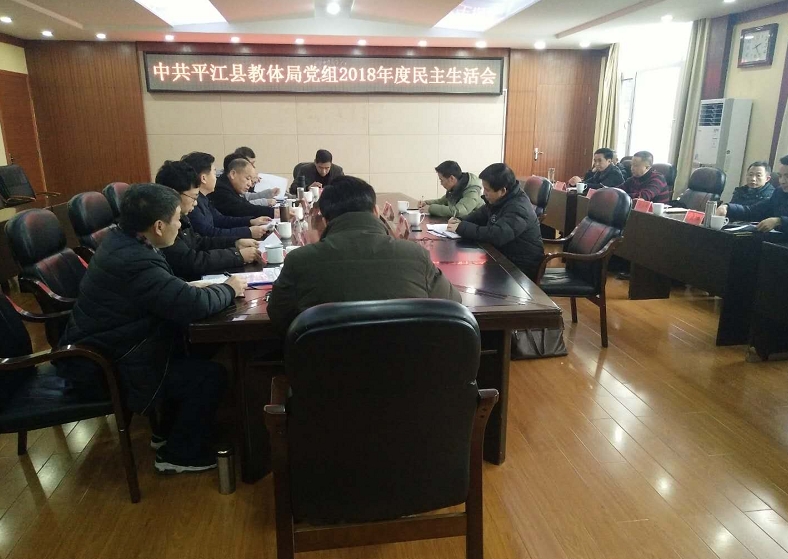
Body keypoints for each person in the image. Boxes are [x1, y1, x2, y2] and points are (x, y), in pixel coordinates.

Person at [56, 183, 247, 473]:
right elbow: (193, 306)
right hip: (107, 366)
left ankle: (168, 431)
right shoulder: (133, 260)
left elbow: (160, 291)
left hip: (122, 347)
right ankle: (179, 454)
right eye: (177, 219)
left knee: (201, 349)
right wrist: (229, 288)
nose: (181, 225)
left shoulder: (122, 240)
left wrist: (187, 289)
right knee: (208, 375)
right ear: (158, 226)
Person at [268, 176, 461, 332]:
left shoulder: (300, 260)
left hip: (327, 366)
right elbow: (453, 304)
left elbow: (279, 316)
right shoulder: (415, 255)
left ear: (325, 221)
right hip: (407, 365)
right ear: (376, 212)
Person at [156, 160, 262, 280]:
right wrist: (237, 255)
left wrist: (235, 243)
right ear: (174, 195)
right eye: (193, 197)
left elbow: (198, 242)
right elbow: (189, 261)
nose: (195, 203)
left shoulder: (183, 214)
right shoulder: (166, 223)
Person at [447, 163, 544, 281]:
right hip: (503, 256)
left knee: (467, 276)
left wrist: (462, 227)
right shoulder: (501, 200)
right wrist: (461, 220)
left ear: (503, 190)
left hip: (521, 268)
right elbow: (481, 215)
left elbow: (497, 235)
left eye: (487, 190)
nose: (484, 193)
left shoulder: (519, 208)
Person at [181, 151, 270, 240]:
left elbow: (220, 219)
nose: (216, 178)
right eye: (214, 173)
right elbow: (208, 233)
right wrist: (248, 232)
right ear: (203, 178)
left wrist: (250, 222)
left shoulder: (203, 198)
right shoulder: (192, 203)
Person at [717, 154, 788, 232]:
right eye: (780, 176)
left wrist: (779, 221)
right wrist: (728, 207)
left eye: (787, 176)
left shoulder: (771, 192)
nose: (782, 181)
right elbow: (752, 211)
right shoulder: (779, 193)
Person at [210, 157, 275, 218]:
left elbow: (245, 204)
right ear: (233, 174)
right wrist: (272, 212)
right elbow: (241, 208)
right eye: (247, 178)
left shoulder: (231, 187)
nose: (250, 184)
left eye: (251, 180)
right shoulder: (221, 189)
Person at [419, 160, 483, 218]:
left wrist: (430, 208)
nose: (441, 183)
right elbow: (441, 202)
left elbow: (458, 211)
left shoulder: (472, 191)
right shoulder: (455, 188)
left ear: (452, 178)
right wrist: (426, 203)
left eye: (442, 180)